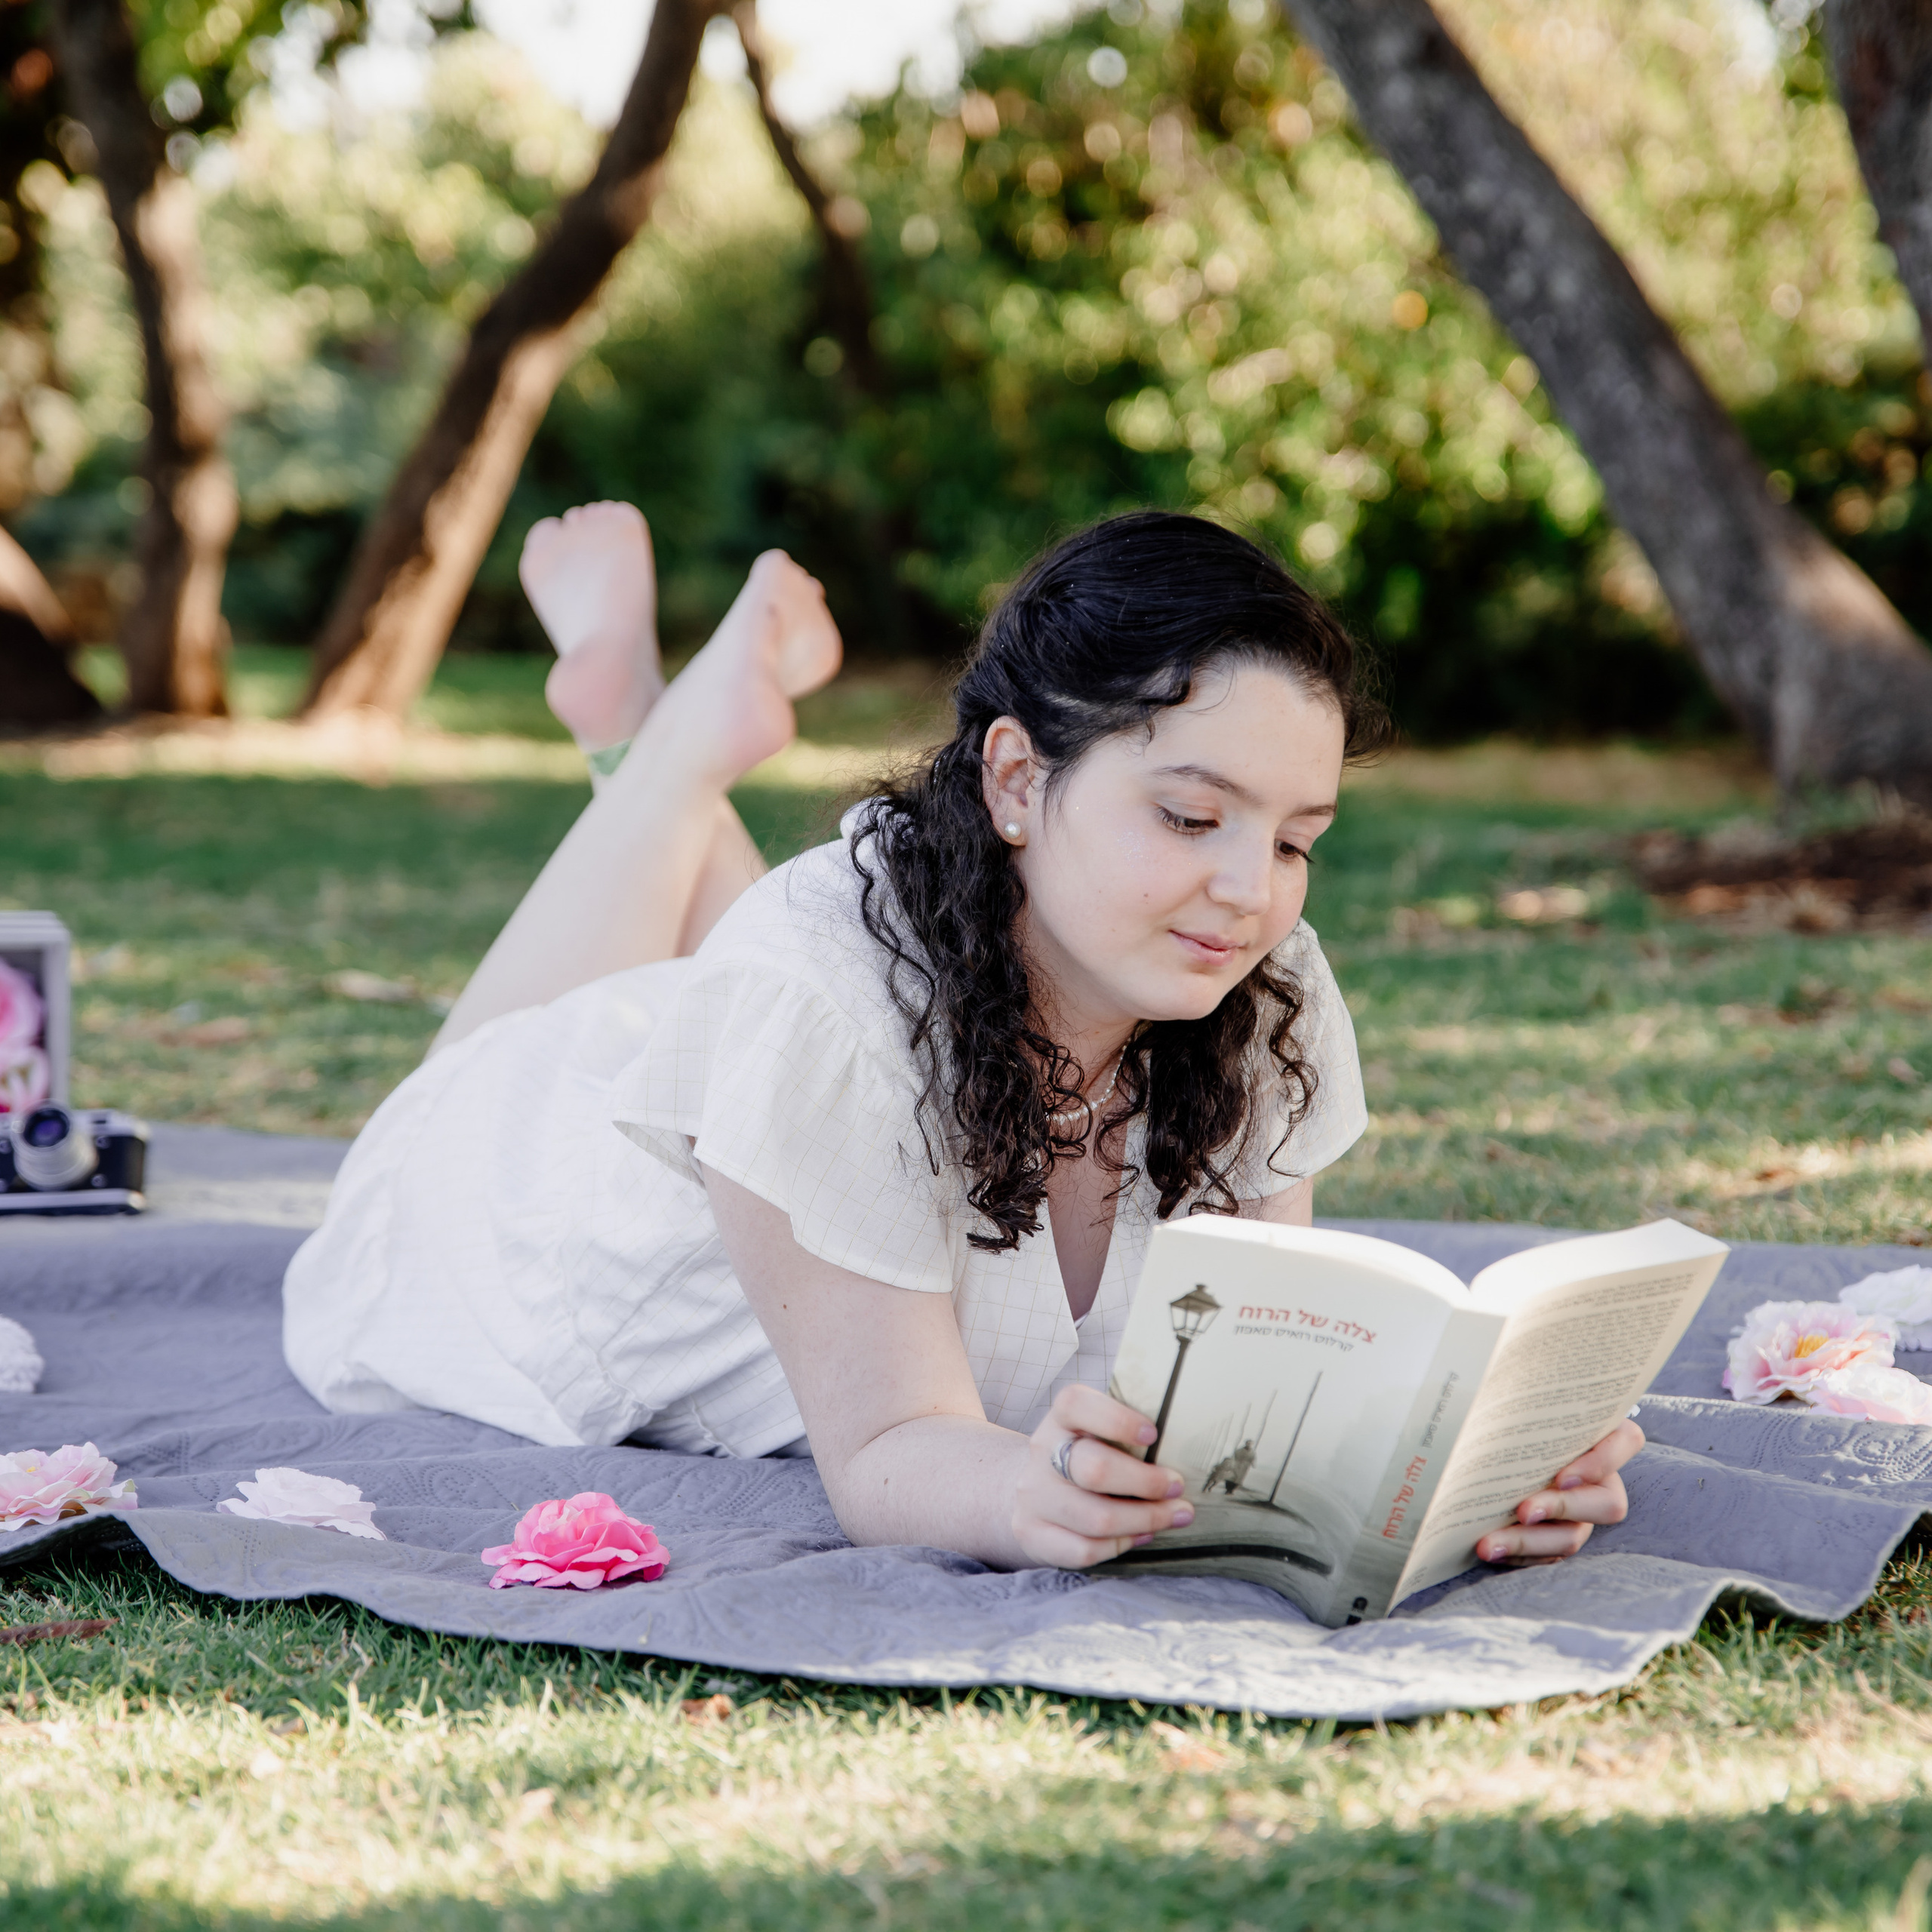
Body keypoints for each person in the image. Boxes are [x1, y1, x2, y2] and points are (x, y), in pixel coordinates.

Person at [283, 505, 1641, 1574]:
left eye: (1296, 839)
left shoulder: (1257, 977)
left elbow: (1257, 1382)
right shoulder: (811, 1006)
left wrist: (1470, 1464)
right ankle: (665, 743)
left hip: (797, 1031)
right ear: (1013, 776)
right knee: (570, 1041)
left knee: (777, 958)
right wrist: (1028, 1492)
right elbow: (885, 1451)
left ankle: (649, 730)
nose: (1252, 888)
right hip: (513, 1196)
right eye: (1189, 816)